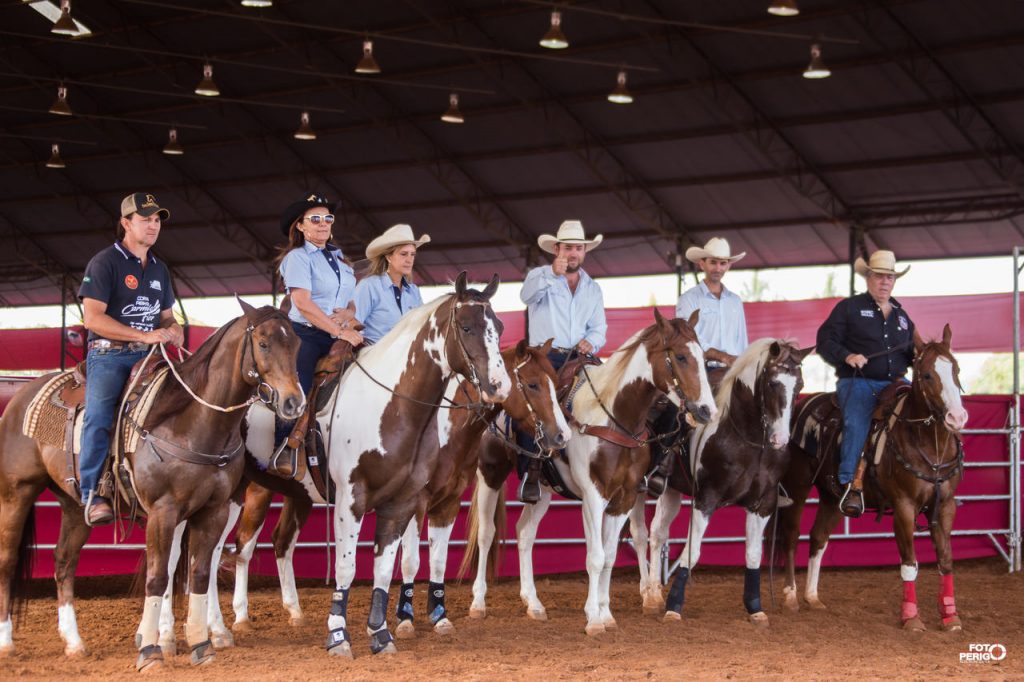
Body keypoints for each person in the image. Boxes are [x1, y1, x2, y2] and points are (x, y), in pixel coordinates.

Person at [78, 193, 184, 526]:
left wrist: (174, 329)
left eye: (157, 220)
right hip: (110, 355)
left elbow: (166, 316)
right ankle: (92, 491)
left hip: (151, 356)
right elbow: (92, 319)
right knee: (98, 415)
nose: (153, 226)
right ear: (126, 223)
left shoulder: (159, 268)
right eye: (146, 219)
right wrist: (143, 335)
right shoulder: (105, 262)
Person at [817, 250, 915, 517]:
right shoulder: (849, 308)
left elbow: (913, 352)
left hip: (897, 382)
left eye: (890, 277)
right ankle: (851, 483)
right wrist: (847, 355)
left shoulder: (902, 315)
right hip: (859, 381)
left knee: (926, 412)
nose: (885, 282)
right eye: (880, 276)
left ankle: (932, 477)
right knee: (856, 420)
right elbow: (825, 341)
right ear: (869, 277)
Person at [517, 220, 607, 503]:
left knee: (609, 394)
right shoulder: (539, 275)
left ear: (584, 252)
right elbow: (525, 296)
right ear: (556, 249)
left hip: (581, 356)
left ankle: (614, 461)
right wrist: (550, 276)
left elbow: (599, 328)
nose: (573, 253)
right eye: (568, 248)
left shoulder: (592, 288)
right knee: (532, 403)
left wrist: (591, 341)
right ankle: (530, 469)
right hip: (544, 356)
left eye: (578, 248)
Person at [274, 193, 364, 455]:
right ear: (301, 226)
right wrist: (338, 330)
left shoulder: (339, 259)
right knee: (297, 387)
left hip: (341, 333)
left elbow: (351, 301)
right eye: (315, 219)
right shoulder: (297, 258)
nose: (323, 223)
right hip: (306, 334)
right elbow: (302, 302)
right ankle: (283, 447)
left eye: (328, 218)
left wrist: (348, 314)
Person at [675, 237, 748, 367]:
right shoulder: (688, 299)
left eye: (723, 263)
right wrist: (722, 357)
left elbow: (742, 341)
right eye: (713, 262)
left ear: (728, 266)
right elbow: (688, 337)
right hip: (701, 372)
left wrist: (743, 365)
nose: (718, 268)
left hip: (733, 372)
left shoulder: (735, 301)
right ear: (702, 264)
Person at [353, 224, 430, 344]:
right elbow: (353, 323)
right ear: (389, 257)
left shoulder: (413, 291)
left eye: (412, 254)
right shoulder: (369, 286)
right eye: (403, 254)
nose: (409, 260)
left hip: (405, 356)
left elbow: (423, 326)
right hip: (373, 356)